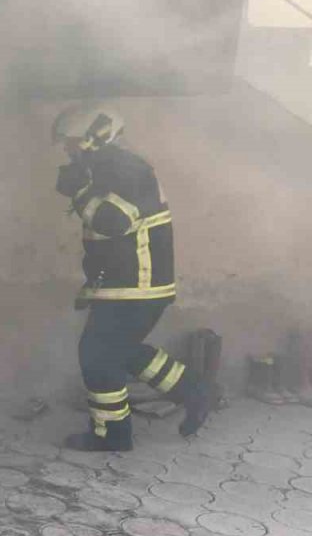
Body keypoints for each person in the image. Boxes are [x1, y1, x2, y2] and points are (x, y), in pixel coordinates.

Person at [52, 103, 209, 452]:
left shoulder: (124, 167)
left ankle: (113, 434)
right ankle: (194, 390)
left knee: (97, 354)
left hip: (136, 283)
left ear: (95, 137)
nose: (67, 149)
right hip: (130, 282)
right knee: (115, 351)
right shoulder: (110, 166)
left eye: (72, 141)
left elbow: (113, 221)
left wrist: (78, 191)